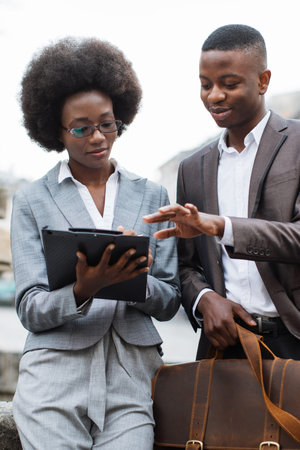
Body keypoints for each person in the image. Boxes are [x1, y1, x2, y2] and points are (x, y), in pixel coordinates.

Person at [11, 37, 181, 450]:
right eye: (81, 128)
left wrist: (132, 278)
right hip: (54, 377)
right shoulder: (33, 200)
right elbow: (30, 307)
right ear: (56, 130)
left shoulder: (153, 196)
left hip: (132, 379)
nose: (98, 137)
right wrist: (84, 289)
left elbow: (171, 299)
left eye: (107, 123)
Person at [143, 24, 300, 360]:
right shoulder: (192, 168)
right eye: (205, 85)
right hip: (224, 345)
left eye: (229, 84)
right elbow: (185, 267)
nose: (214, 95)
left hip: (294, 340)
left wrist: (222, 227)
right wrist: (203, 298)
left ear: (263, 81)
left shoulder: (298, 144)